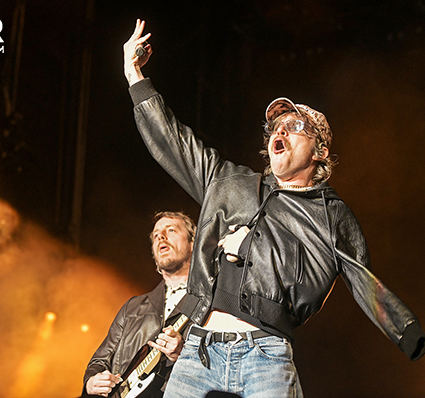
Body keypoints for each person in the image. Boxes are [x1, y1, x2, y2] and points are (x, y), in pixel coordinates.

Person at [122, 19, 425, 398]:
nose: (278, 132)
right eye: (274, 129)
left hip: (265, 355)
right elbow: (175, 143)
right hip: (198, 353)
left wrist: (406, 330)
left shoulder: (330, 215)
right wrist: (135, 77)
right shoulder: (230, 182)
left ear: (320, 151)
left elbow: (348, 281)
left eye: (293, 126)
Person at [82, 211, 196, 397]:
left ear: (194, 243)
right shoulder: (133, 308)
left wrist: (184, 354)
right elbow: (100, 360)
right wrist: (92, 382)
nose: (161, 236)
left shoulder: (210, 300)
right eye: (156, 235)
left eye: (171, 230)